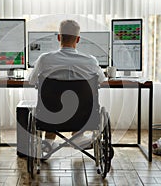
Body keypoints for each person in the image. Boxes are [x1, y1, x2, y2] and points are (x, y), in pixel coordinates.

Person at [28, 19, 105, 150]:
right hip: (82, 117)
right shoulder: (91, 61)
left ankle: (48, 142)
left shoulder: (44, 59)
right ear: (78, 39)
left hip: (50, 117)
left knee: (51, 102)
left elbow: (31, 81)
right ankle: (78, 137)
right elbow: (102, 80)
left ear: (59, 37)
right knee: (78, 100)